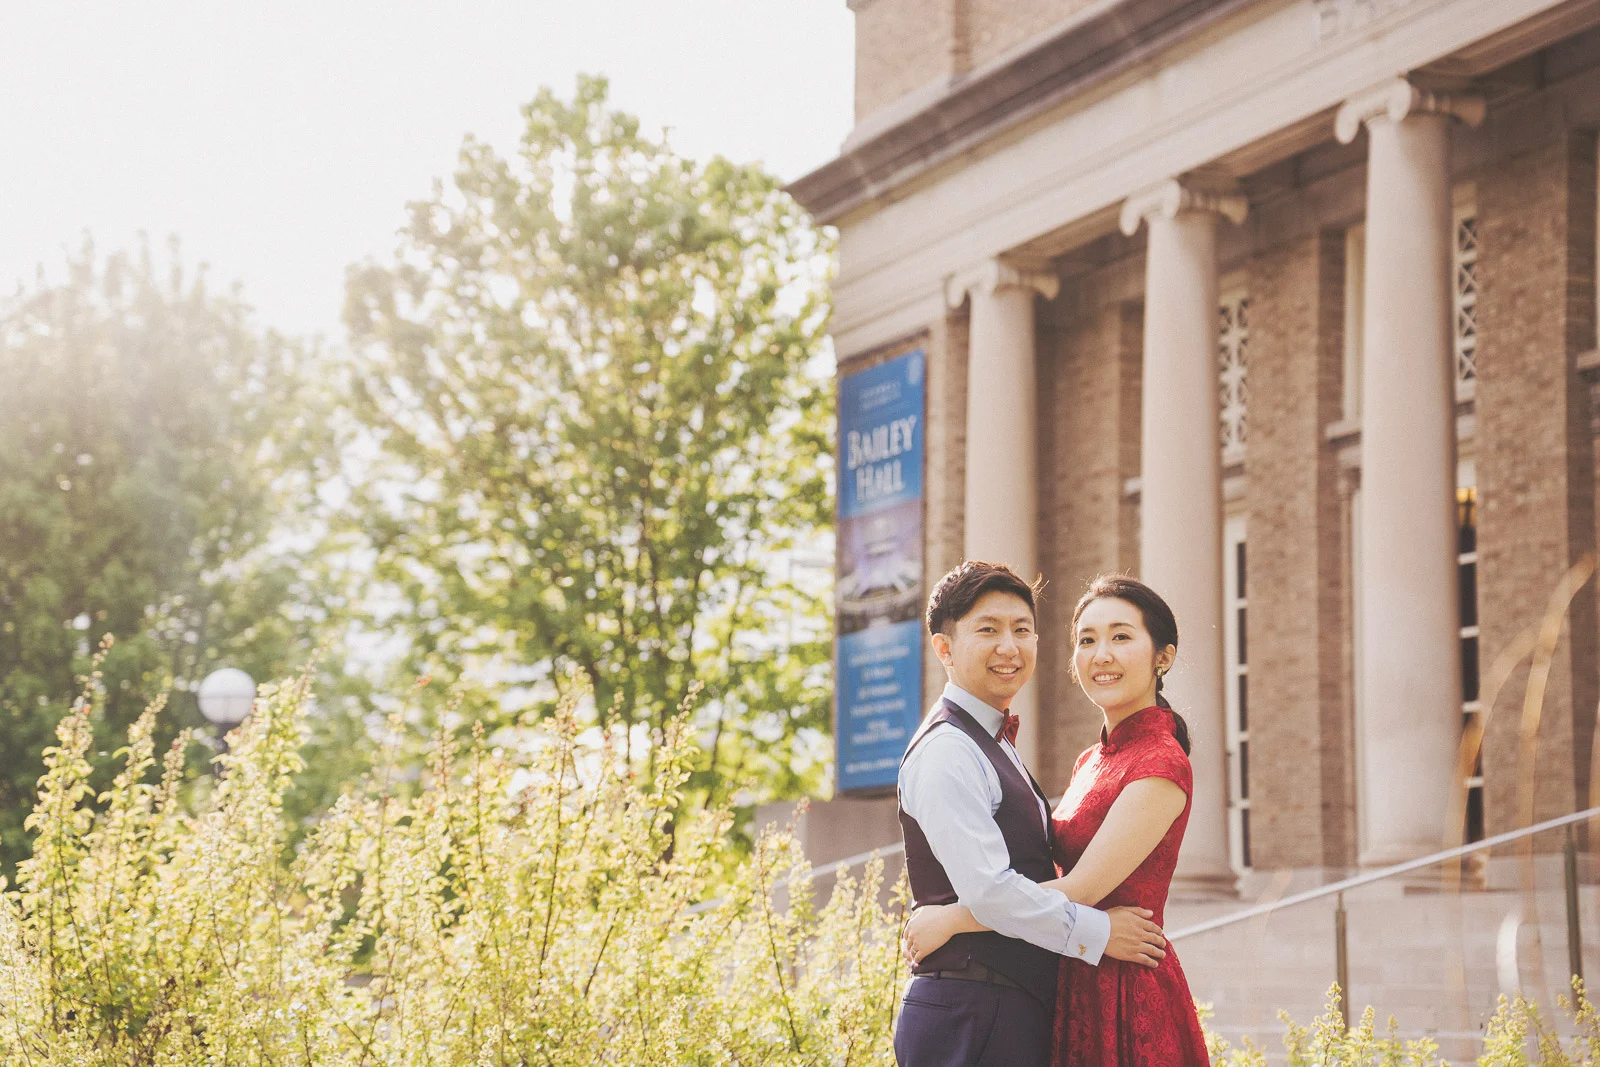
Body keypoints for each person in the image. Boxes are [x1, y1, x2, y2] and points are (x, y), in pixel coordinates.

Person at [904, 574, 1211, 1066]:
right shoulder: (1091, 759)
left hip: (1122, 983)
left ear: (1163, 658)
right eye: (1086, 640)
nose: (1100, 655)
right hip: (1074, 971)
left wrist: (950, 919)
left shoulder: (1160, 761)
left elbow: (1084, 887)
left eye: (1121, 636)